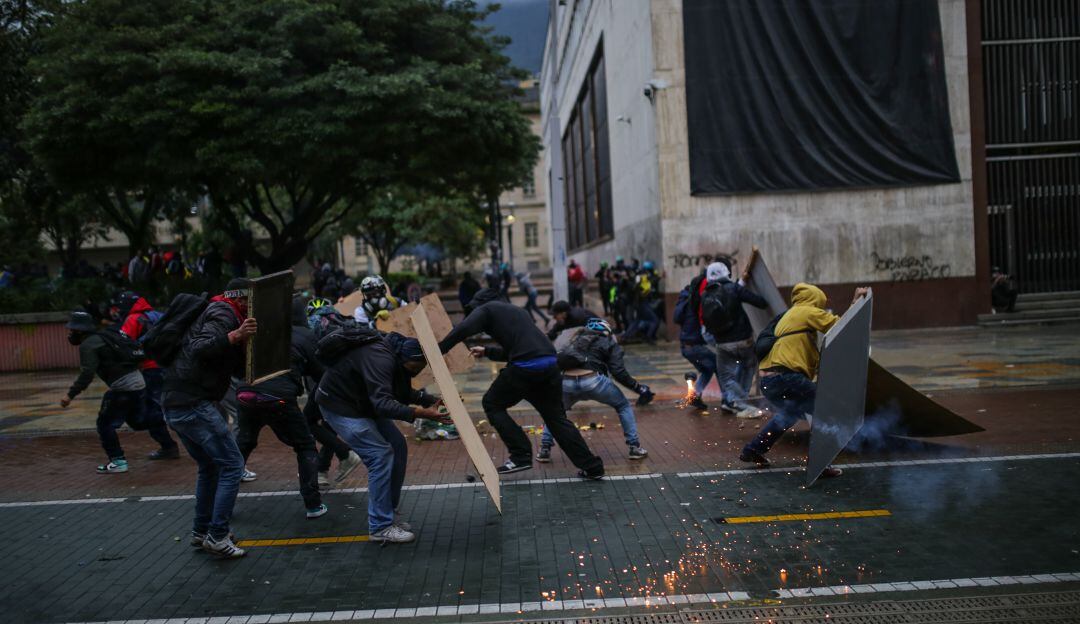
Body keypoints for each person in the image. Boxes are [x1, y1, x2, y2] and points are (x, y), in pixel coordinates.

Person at [438, 288, 605, 479]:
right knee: (556, 420)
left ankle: (520, 455)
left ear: (479, 304)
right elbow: (519, 349)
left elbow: (462, 330)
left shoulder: (486, 309)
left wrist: (438, 350)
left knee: (492, 403)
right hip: (550, 365)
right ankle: (592, 467)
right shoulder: (517, 312)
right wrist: (487, 352)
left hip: (526, 368)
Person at [315, 322, 447, 544]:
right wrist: (421, 413)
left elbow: (400, 391)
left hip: (360, 403)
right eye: (417, 367)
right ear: (408, 361)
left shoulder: (398, 355)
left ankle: (388, 512)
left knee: (398, 445)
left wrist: (430, 401)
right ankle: (380, 526)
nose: (420, 371)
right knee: (380, 455)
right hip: (339, 405)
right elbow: (383, 404)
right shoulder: (381, 359)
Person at [162, 279, 258, 558]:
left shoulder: (224, 312)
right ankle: (217, 535)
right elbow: (200, 348)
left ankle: (200, 531)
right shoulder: (223, 313)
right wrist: (235, 336)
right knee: (232, 464)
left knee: (209, 466)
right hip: (192, 402)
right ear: (243, 300)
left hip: (177, 401)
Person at [740, 284, 869, 477]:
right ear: (816, 299)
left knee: (789, 414)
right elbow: (842, 327)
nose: (822, 308)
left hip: (769, 381)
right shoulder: (806, 311)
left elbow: (811, 359)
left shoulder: (790, 316)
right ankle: (820, 463)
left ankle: (753, 449)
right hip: (786, 377)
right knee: (826, 409)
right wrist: (856, 301)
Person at [234, 296, 331, 519]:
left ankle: (219, 504)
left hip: (246, 394)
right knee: (305, 446)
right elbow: (321, 374)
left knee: (243, 444)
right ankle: (313, 505)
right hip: (278, 398)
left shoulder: (263, 330)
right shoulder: (305, 335)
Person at [60, 311, 174, 473]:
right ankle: (170, 428)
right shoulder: (105, 336)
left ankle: (118, 461)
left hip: (124, 387)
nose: (70, 333)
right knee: (137, 421)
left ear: (79, 330)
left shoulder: (88, 345)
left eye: (71, 330)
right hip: (138, 383)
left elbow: (87, 374)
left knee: (104, 424)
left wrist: (70, 395)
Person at [538, 318, 652, 462]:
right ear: (606, 331)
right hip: (594, 382)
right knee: (623, 405)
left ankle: (544, 449)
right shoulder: (609, 342)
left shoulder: (574, 341)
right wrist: (637, 388)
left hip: (566, 383)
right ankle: (634, 448)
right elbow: (618, 372)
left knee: (555, 413)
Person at [116, 291, 180, 459]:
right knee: (171, 405)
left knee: (151, 409)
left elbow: (124, 346)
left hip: (150, 369)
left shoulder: (132, 319)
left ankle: (168, 446)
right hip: (169, 367)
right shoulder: (157, 315)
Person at [699, 262, 767, 417]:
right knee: (748, 368)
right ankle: (741, 402)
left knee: (726, 377)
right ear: (726, 273)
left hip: (722, 344)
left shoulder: (706, 294)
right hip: (745, 340)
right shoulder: (734, 289)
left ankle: (738, 402)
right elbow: (761, 303)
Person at [674, 283, 714, 410]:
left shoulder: (684, 301)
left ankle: (694, 394)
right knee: (718, 365)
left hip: (686, 346)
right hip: (694, 346)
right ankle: (729, 399)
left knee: (707, 369)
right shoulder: (694, 302)